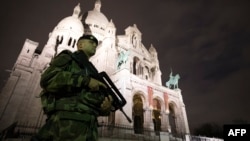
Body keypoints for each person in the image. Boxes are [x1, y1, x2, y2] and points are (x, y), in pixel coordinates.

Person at [31, 34, 113, 141]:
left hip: (90, 128)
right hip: (66, 125)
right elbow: (48, 79)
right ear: (80, 45)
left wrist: (104, 108)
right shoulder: (68, 58)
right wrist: (85, 81)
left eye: (96, 44)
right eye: (91, 43)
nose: (94, 45)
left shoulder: (92, 69)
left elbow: (87, 98)